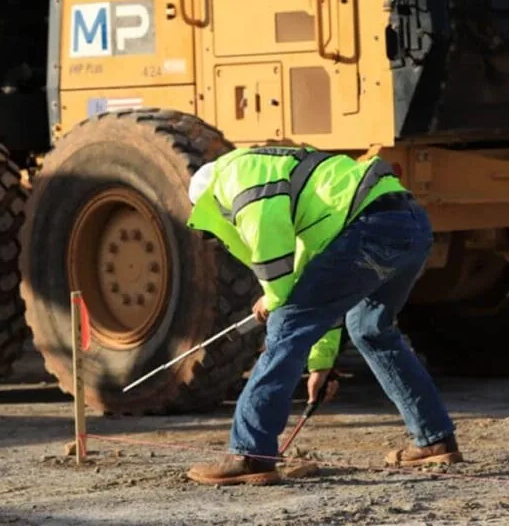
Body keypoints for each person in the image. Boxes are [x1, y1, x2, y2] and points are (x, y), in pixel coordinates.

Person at [184, 144, 462, 486]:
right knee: (370, 328)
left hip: (369, 228)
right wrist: (320, 361)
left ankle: (250, 454)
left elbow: (267, 234)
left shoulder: (235, 180)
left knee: (285, 326)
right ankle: (434, 439)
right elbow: (318, 288)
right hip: (409, 224)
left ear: (210, 205)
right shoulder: (287, 178)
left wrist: (273, 298)